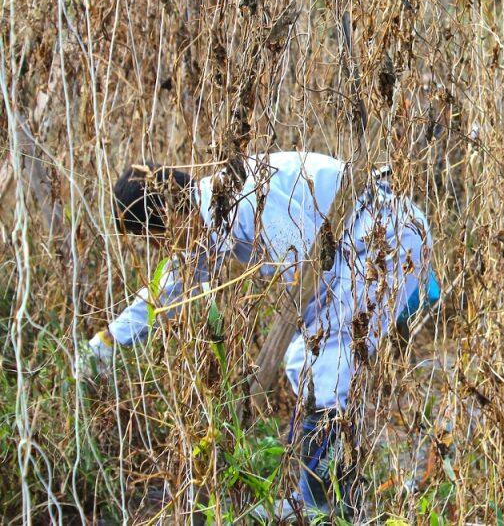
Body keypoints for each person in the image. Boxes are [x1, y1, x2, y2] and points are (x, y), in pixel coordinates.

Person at [80, 152, 432, 520]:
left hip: (384, 242)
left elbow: (307, 265)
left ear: (170, 219)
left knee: (322, 369)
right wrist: (106, 343)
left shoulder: (244, 201)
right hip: (352, 253)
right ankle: (338, 498)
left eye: (157, 240)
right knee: (316, 367)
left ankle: (318, 505)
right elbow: (166, 290)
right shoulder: (208, 217)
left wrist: (303, 335)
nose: (163, 250)